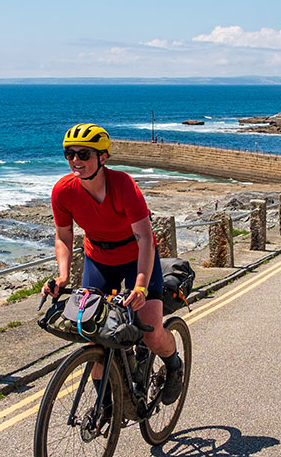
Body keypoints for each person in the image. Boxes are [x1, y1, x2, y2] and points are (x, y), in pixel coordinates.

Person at [41, 123, 184, 405]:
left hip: (136, 257)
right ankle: (105, 406)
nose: (75, 161)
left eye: (84, 154)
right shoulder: (62, 191)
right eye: (69, 154)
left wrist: (141, 288)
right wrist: (62, 276)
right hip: (99, 259)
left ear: (102, 158)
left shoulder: (123, 186)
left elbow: (145, 237)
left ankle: (174, 366)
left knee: (151, 330)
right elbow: (64, 235)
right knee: (92, 333)